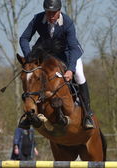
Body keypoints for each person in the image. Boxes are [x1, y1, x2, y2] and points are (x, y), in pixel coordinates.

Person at [19, 0, 95, 129]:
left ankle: (87, 113)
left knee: (80, 75)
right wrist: (29, 58)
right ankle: (29, 113)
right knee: (31, 76)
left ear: (59, 11)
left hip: (67, 54)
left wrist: (70, 70)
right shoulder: (37, 19)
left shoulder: (67, 22)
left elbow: (73, 48)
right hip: (45, 53)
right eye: (48, 12)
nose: (51, 16)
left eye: (54, 13)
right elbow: (24, 38)